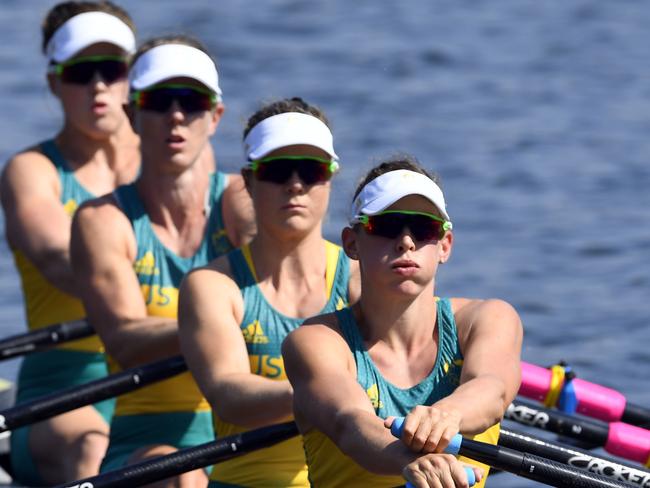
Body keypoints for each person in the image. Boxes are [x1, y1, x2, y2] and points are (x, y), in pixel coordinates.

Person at [70, 35, 255, 486]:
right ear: (132, 116)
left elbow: (286, 289)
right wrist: (220, 326)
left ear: (214, 117)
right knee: (184, 478)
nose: (176, 115)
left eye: (191, 102)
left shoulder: (244, 200)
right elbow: (126, 339)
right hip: (148, 436)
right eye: (159, 101)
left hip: (255, 426)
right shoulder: (102, 220)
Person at [283, 156, 523, 488]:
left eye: (423, 228)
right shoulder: (317, 340)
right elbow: (349, 423)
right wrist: (412, 461)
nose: (406, 242)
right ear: (351, 243)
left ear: (445, 245)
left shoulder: (487, 320)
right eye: (387, 225)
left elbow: (493, 390)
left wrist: (446, 414)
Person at [178, 98, 360, 487]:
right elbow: (229, 392)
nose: (295, 184)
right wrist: (325, 395)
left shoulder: (362, 281)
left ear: (330, 177)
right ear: (248, 180)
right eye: (277, 170)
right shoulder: (212, 286)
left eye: (311, 171)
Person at [0, 2, 139, 483]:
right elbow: (61, 263)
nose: (99, 85)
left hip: (168, 373)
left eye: (112, 69)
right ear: (55, 83)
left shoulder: (174, 165)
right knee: (92, 454)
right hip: (64, 388)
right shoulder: (33, 172)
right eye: (82, 72)